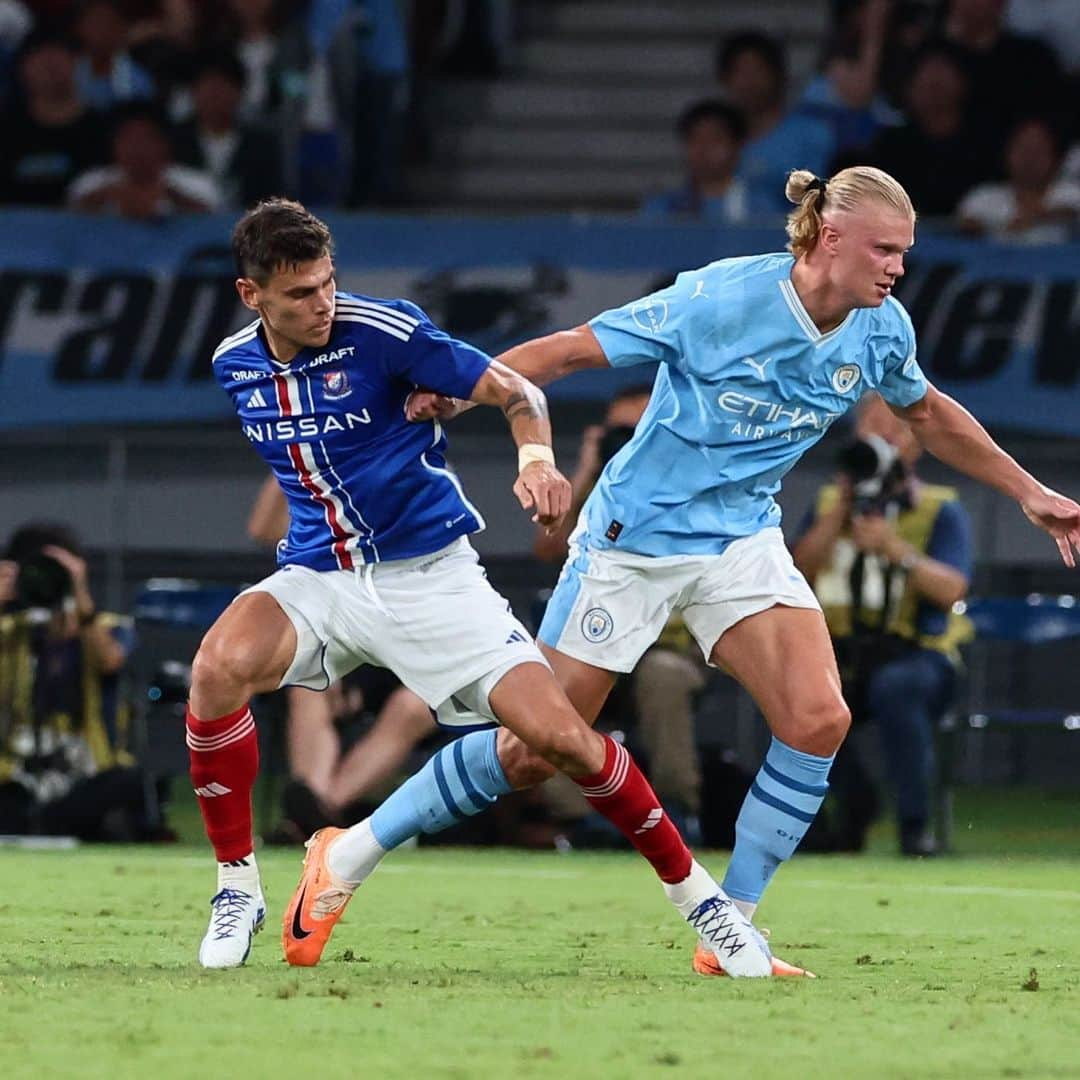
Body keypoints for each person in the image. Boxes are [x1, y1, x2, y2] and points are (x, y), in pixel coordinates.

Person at [363, 164, 1079, 980]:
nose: (896, 268)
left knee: (817, 719)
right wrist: (461, 393)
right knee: (535, 751)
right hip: (635, 541)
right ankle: (350, 847)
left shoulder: (882, 330)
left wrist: (1029, 491)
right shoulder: (720, 299)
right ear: (830, 238)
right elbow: (566, 351)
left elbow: (927, 411)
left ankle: (730, 929)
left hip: (741, 538)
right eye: (884, 250)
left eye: (904, 254)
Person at [194, 197, 773, 978]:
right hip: (321, 577)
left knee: (564, 740)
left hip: (433, 578)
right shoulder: (236, 366)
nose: (322, 303)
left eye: (328, 282)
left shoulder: (386, 332)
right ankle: (237, 887)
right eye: (300, 293)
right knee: (215, 667)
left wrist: (535, 459)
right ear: (251, 294)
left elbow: (517, 391)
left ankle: (708, 910)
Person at [792, 393, 973, 855]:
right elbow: (797, 569)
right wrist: (839, 513)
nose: (883, 440)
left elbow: (953, 588)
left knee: (897, 689)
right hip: (841, 650)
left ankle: (915, 827)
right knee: (795, 697)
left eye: (894, 431)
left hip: (916, 653)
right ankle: (847, 810)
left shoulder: (938, 508)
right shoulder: (830, 502)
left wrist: (896, 549)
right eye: (872, 430)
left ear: (916, 443)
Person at [534, 385, 705, 843]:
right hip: (594, 642)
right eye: (620, 432)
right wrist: (590, 467)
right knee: (542, 683)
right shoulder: (597, 489)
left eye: (638, 432)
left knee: (664, 676)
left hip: (664, 648)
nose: (629, 442)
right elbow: (548, 547)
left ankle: (677, 814)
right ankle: (578, 821)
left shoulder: (687, 482)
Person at [245, 475, 436, 839]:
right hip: (334, 640)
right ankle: (321, 815)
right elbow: (263, 528)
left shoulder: (417, 478)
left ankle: (311, 819)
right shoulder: (325, 490)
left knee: (416, 706)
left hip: (402, 646)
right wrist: (289, 459)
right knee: (310, 685)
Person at [0, 523, 164, 842]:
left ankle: (43, 827)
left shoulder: (106, 627)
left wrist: (78, 593)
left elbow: (110, 660)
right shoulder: (10, 633)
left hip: (87, 776)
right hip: (16, 777)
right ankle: (41, 826)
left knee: (127, 783)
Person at [715, 30, 835, 216]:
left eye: (757, 70)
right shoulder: (714, 138)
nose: (749, 82)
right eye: (740, 71)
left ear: (778, 75)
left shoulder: (813, 134)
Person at [3, 32, 107, 205]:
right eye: (40, 59)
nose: (50, 66)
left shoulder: (102, 127)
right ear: (22, 68)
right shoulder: (7, 126)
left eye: (58, 57)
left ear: (76, 63)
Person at [68, 103, 220, 219]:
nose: (137, 148)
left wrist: (173, 196)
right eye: (128, 139)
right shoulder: (89, 183)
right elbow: (66, 223)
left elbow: (215, 223)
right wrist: (106, 195)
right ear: (114, 144)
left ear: (164, 144)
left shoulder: (198, 185)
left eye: (145, 139)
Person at [173, 53, 283, 210]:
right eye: (207, 86)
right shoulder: (174, 141)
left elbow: (273, 199)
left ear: (239, 92)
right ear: (193, 92)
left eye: (223, 86)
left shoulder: (261, 145)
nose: (214, 95)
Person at [956, 117, 1080, 244]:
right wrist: (986, 227)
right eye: (1023, 150)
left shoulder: (1071, 192)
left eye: (1038, 152)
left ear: (1055, 157)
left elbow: (1071, 210)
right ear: (1007, 154)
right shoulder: (983, 196)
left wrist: (1036, 217)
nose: (1029, 159)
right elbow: (965, 227)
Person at [640, 99, 749, 223]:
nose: (703, 148)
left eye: (715, 139)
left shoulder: (759, 205)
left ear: (738, 146)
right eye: (695, 139)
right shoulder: (660, 207)